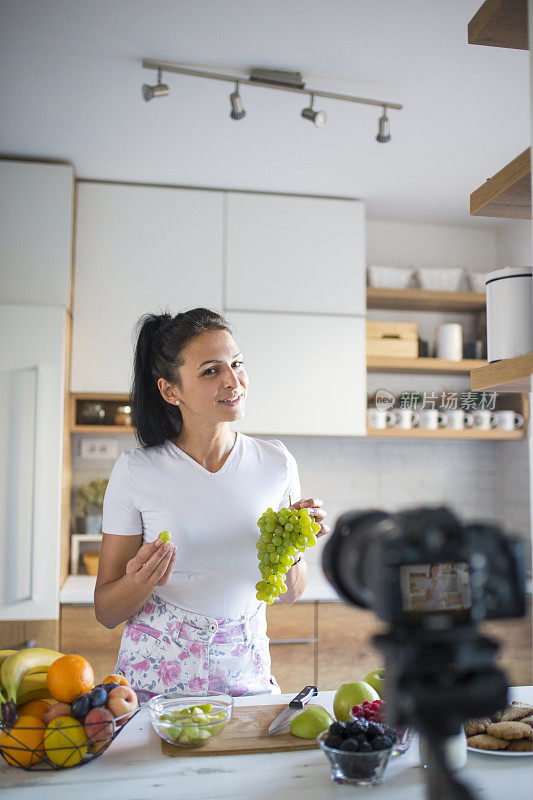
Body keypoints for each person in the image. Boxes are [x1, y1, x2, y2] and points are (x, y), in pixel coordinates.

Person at [94, 308, 329, 697]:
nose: (233, 381)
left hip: (245, 680)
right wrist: (139, 581)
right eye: (211, 371)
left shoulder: (276, 463)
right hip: (156, 687)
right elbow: (106, 612)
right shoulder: (136, 471)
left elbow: (289, 592)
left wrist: (294, 547)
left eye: (237, 364)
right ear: (171, 391)